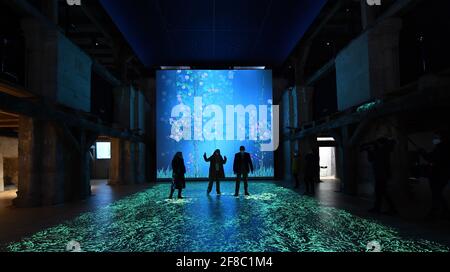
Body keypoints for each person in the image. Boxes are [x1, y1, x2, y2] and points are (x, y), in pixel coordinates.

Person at [362, 137, 397, 214]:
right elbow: (372, 159)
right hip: (381, 174)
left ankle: (388, 209)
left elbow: (371, 158)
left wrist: (369, 150)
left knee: (380, 192)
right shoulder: (383, 150)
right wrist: (370, 150)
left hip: (381, 174)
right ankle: (382, 208)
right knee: (381, 192)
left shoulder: (382, 151)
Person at [420, 130, 450, 219]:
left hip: (440, 175)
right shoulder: (440, 147)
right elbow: (432, 157)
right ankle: (444, 210)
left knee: (436, 193)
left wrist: (423, 153)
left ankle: (434, 212)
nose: (434, 139)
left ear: (442, 138)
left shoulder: (442, 148)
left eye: (436, 137)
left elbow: (432, 158)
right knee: (437, 193)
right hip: (440, 174)